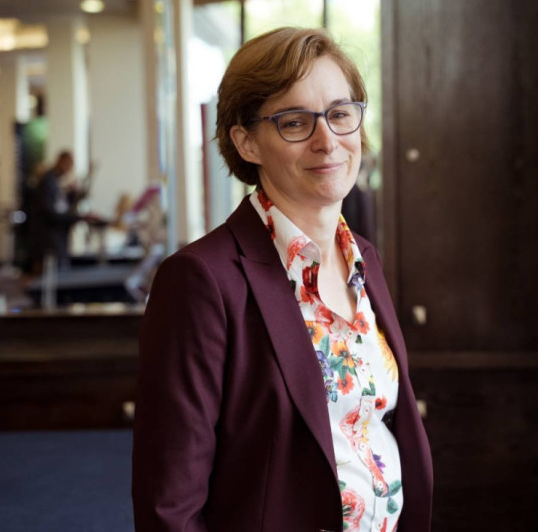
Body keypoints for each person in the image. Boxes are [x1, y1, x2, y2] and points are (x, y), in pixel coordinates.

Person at [132, 27, 433, 532]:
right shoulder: (201, 281)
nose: (328, 140)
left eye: (340, 114)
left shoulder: (365, 259)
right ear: (246, 141)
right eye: (295, 122)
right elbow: (169, 505)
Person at [31, 151, 101, 270]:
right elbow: (52, 212)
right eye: (70, 164)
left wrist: (72, 195)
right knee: (56, 272)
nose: (70, 169)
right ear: (62, 162)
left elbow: (62, 206)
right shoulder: (48, 181)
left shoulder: (55, 181)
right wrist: (80, 217)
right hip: (51, 236)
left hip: (58, 235)